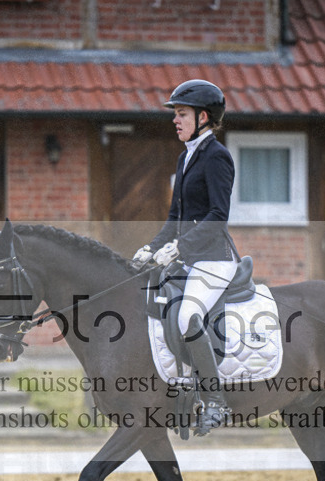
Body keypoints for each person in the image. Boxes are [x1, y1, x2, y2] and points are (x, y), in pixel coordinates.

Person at [131, 79, 238, 436]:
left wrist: (179, 248)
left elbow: (218, 216)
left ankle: (216, 401)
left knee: (189, 314)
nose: (175, 120)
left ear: (203, 117)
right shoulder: (186, 156)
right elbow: (175, 217)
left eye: (181, 114)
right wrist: (152, 246)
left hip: (215, 260)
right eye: (175, 115)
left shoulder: (217, 156)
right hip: (190, 258)